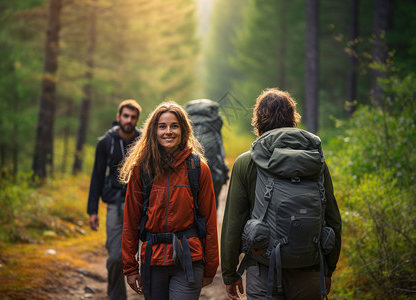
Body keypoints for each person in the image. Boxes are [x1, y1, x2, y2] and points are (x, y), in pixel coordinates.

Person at [221, 88, 342, 300]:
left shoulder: (246, 162)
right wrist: (328, 268)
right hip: (310, 266)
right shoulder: (315, 160)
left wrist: (230, 273)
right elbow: (332, 219)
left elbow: (234, 222)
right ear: (293, 119)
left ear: (258, 121)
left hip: (263, 268)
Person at [119, 101, 219, 299]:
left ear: (183, 130)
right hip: (152, 261)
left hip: (189, 260)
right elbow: (130, 221)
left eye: (174, 126)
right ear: (153, 131)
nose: (168, 132)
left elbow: (210, 222)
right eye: (162, 126)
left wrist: (211, 266)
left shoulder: (198, 169)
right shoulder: (141, 169)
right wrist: (130, 267)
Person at [87, 99, 142, 300]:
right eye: (125, 116)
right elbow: (97, 176)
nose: (129, 120)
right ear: (119, 117)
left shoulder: (143, 141)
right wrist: (92, 210)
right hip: (115, 205)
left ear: (137, 119)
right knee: (115, 257)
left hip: (142, 204)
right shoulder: (106, 143)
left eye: (133, 117)